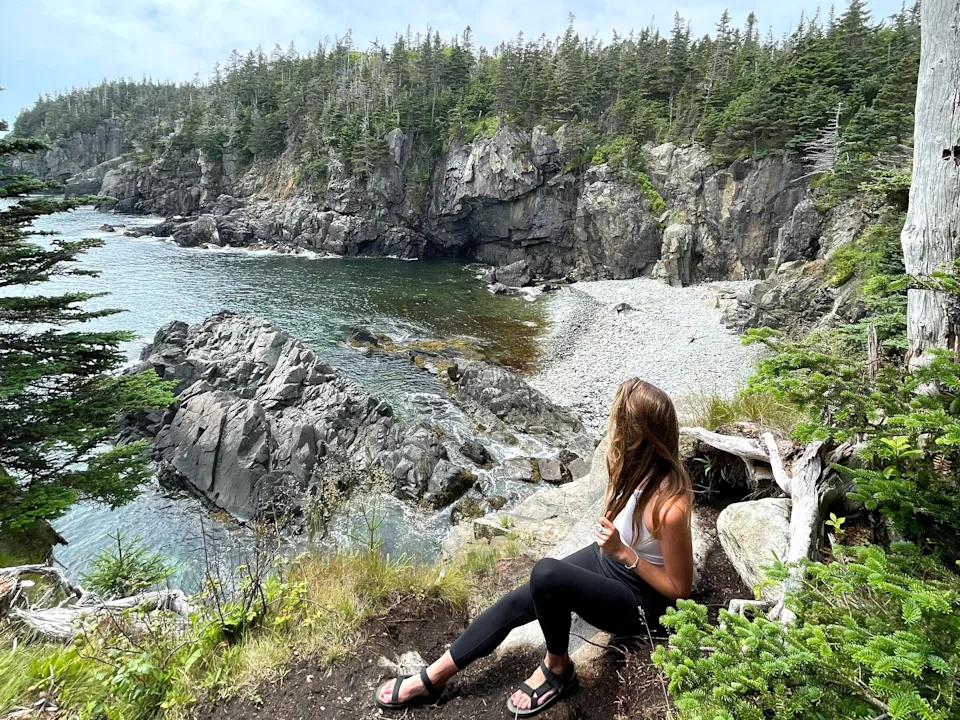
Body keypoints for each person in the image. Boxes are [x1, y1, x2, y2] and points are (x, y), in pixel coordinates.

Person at [375, 378, 694, 717]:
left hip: (647, 602)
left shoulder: (671, 505)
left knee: (546, 573)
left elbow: (680, 590)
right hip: (615, 565)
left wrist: (625, 554)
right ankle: (432, 678)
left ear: (638, 435)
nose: (612, 427)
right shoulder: (631, 467)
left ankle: (558, 668)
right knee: (522, 597)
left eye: (619, 421)